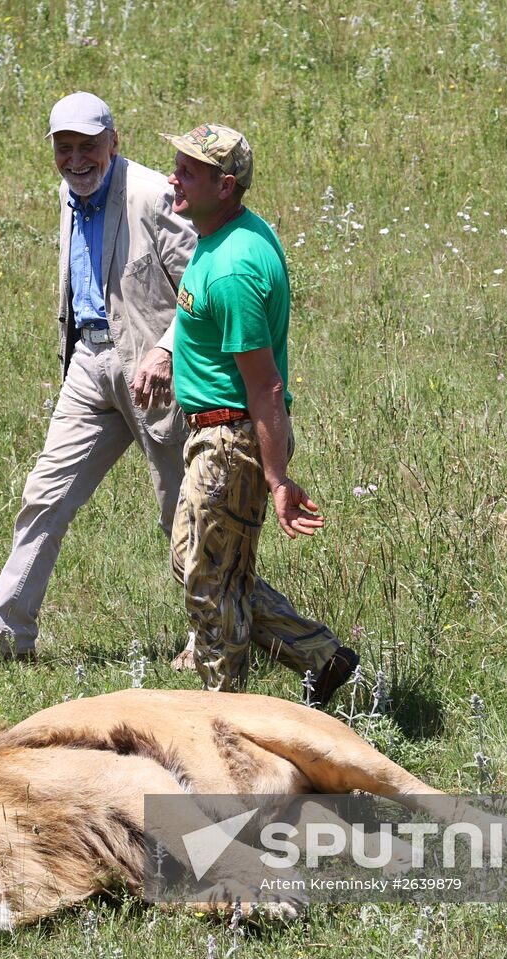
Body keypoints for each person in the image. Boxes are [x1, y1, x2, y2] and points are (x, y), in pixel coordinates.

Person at [0, 93, 197, 663]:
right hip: (89, 364)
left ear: (114, 142)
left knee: (181, 509)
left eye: (88, 147)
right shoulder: (69, 191)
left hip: (156, 374)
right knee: (44, 495)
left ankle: (210, 639)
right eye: (65, 148)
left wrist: (165, 350)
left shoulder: (156, 196)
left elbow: (201, 288)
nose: (77, 160)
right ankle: (3, 638)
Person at [155, 122, 358, 705]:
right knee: (204, 565)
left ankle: (227, 721)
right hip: (213, 435)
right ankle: (320, 654)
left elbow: (265, 387)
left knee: (210, 587)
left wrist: (274, 478)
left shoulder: (234, 268)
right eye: (177, 165)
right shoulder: (230, 231)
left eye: (188, 171)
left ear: (225, 185)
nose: (175, 176)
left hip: (228, 441)